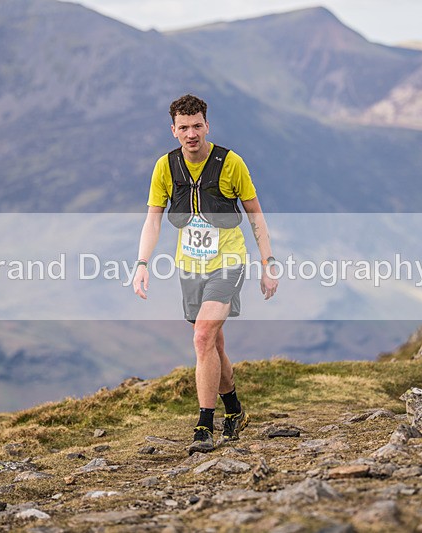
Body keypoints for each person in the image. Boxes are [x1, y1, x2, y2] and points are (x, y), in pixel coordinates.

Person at [132, 94, 279, 454]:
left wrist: (267, 262)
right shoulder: (165, 167)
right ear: (174, 130)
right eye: (184, 127)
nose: (191, 133)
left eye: (197, 125)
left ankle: (203, 424)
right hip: (189, 265)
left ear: (207, 126)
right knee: (212, 343)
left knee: (201, 338)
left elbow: (256, 215)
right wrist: (141, 263)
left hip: (228, 261)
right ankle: (235, 411)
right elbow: (153, 219)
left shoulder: (231, 164)